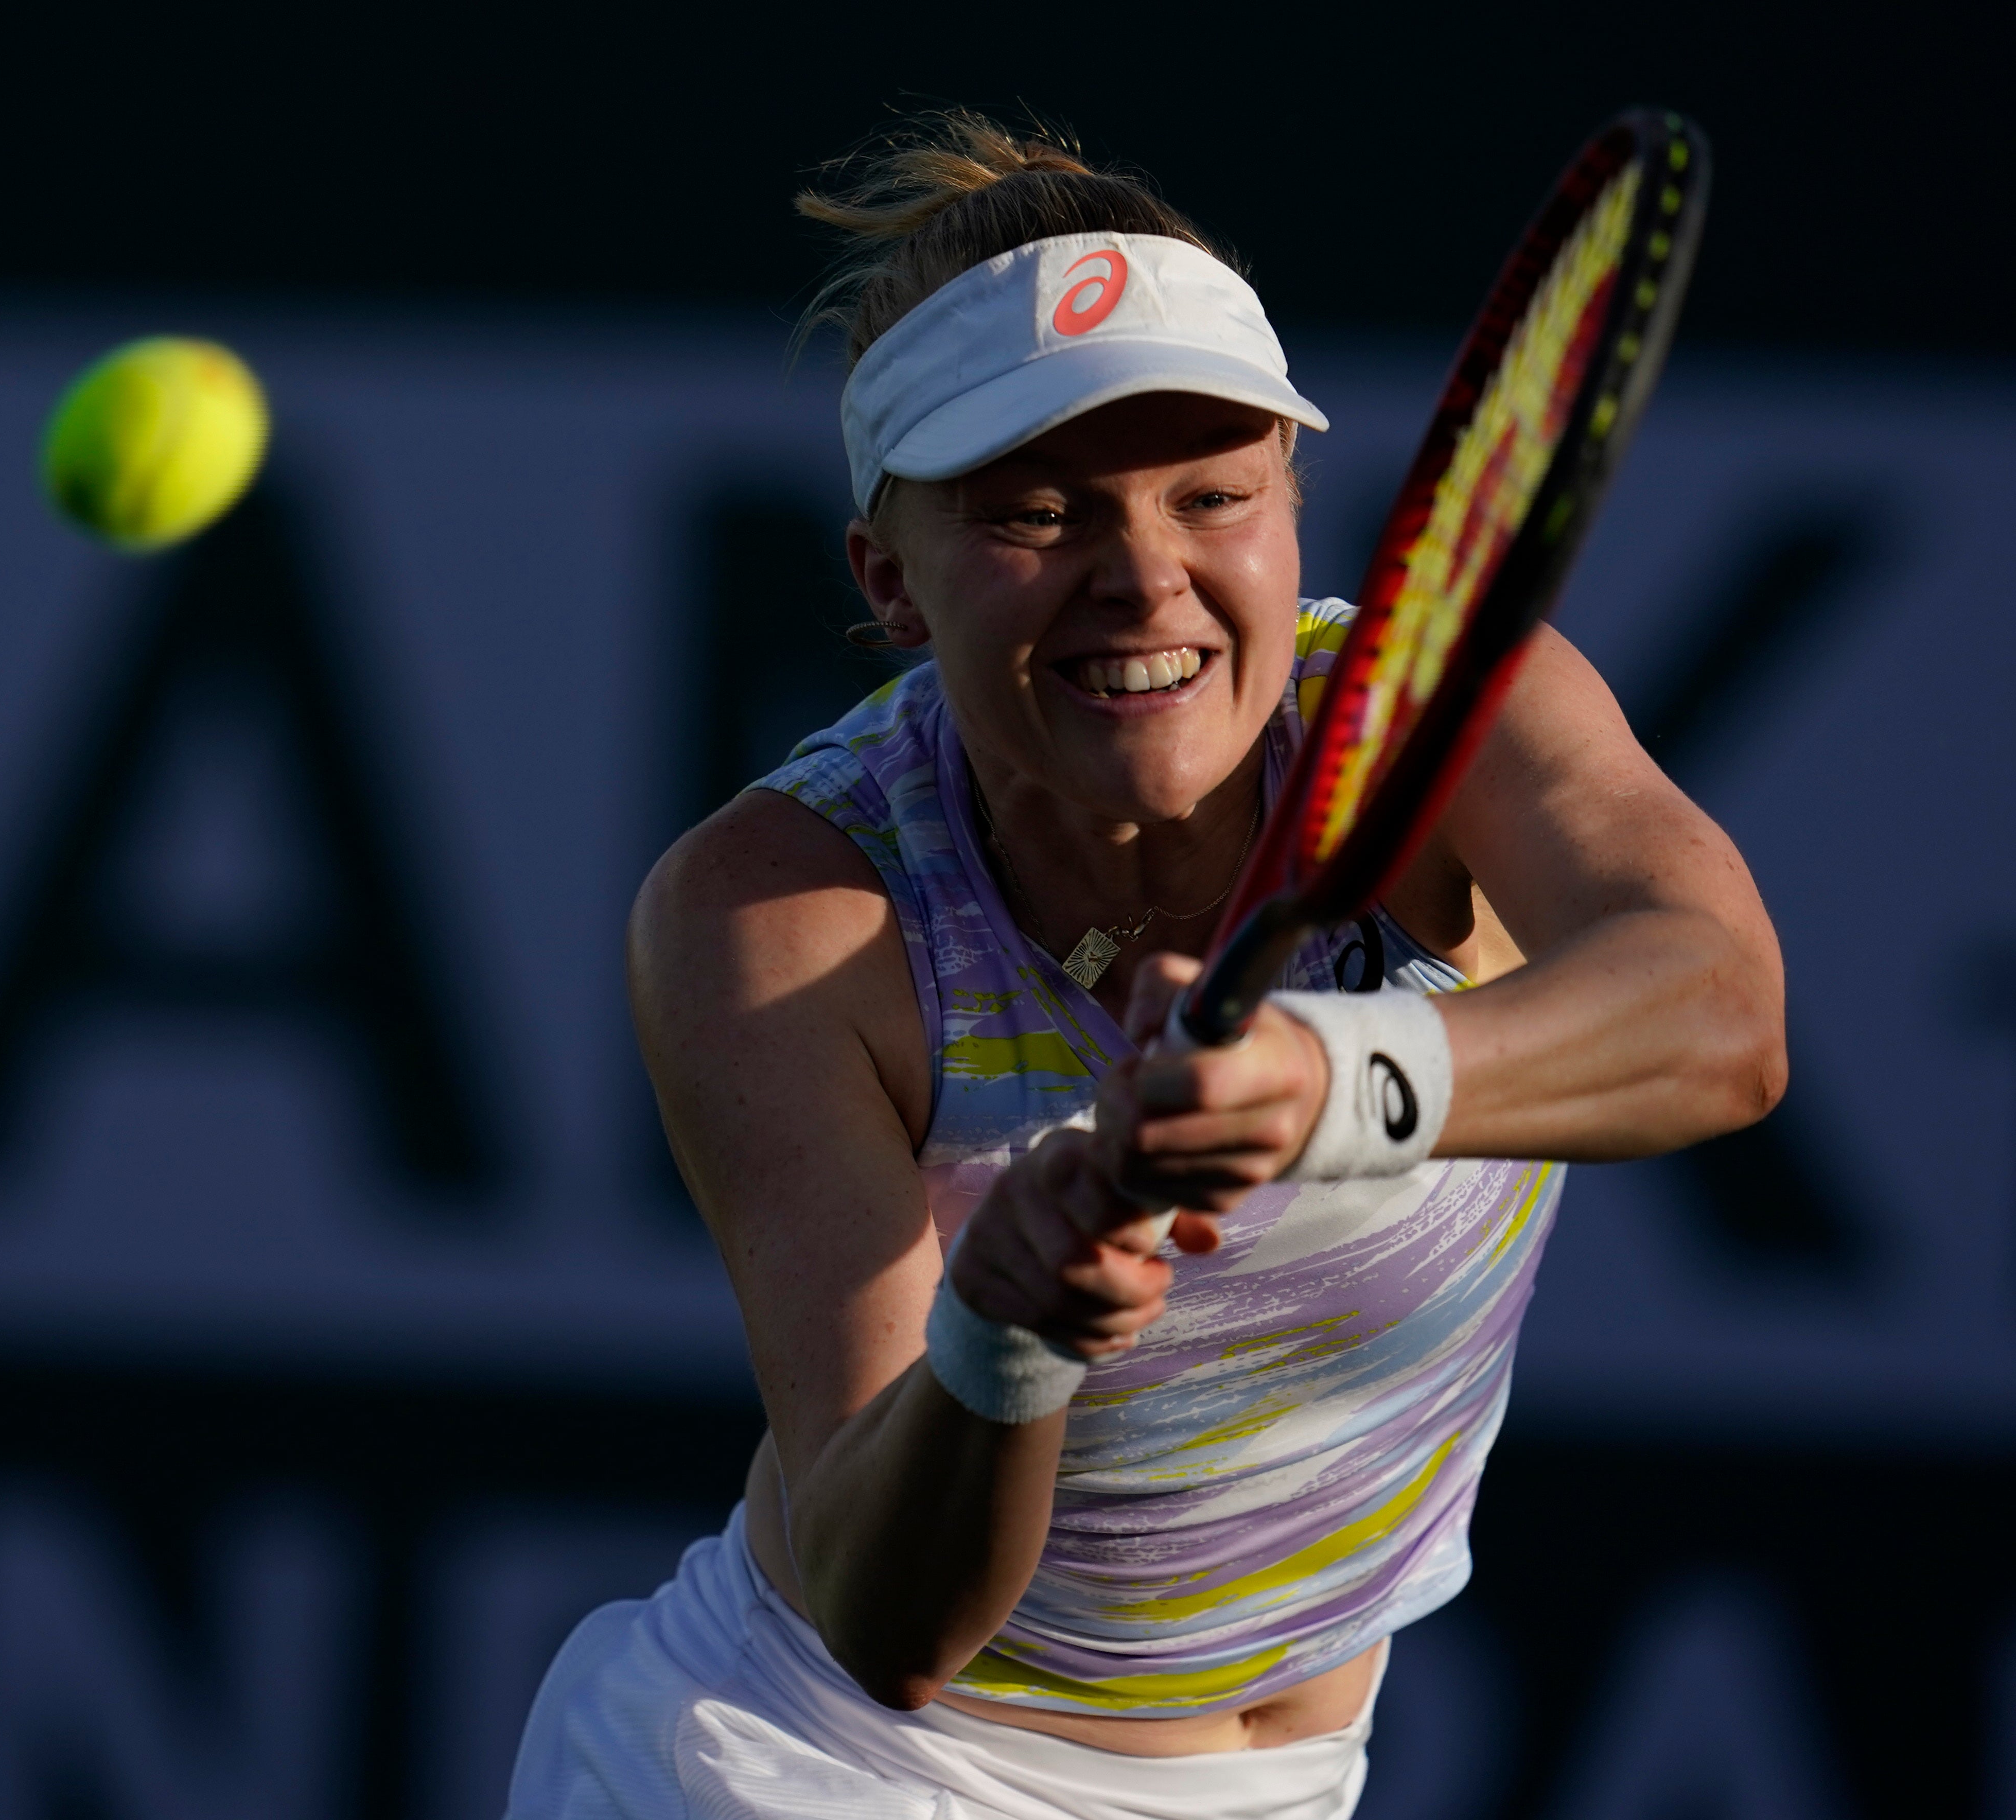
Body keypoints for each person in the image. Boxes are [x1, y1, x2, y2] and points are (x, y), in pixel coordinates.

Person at [506, 113, 1785, 1820]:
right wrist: (1007, 1336)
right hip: (818, 1773)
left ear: (1291, 513)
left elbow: (1721, 1015)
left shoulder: (1438, 714)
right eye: (1039, 513)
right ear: (891, 579)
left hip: (1287, 1785)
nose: (1145, 577)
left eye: (1215, 496)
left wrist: (1334, 1082)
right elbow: (895, 1623)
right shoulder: (783, 913)